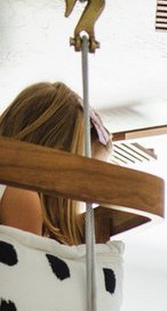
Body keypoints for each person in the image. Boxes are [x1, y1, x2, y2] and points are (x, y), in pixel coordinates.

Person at [0, 81, 112, 245]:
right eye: (83, 183)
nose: (81, 202)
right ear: (57, 162)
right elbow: (26, 268)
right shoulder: (21, 194)